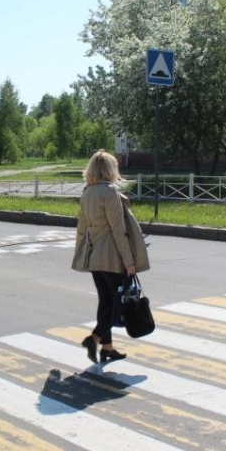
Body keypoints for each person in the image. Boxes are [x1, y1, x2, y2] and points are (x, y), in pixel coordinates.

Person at [71, 150, 150, 363]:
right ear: (109, 170)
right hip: (112, 258)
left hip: (94, 256)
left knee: (105, 302)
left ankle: (107, 348)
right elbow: (118, 230)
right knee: (116, 305)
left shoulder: (87, 193)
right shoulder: (109, 193)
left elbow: (82, 229)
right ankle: (95, 338)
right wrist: (129, 261)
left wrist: (80, 255)